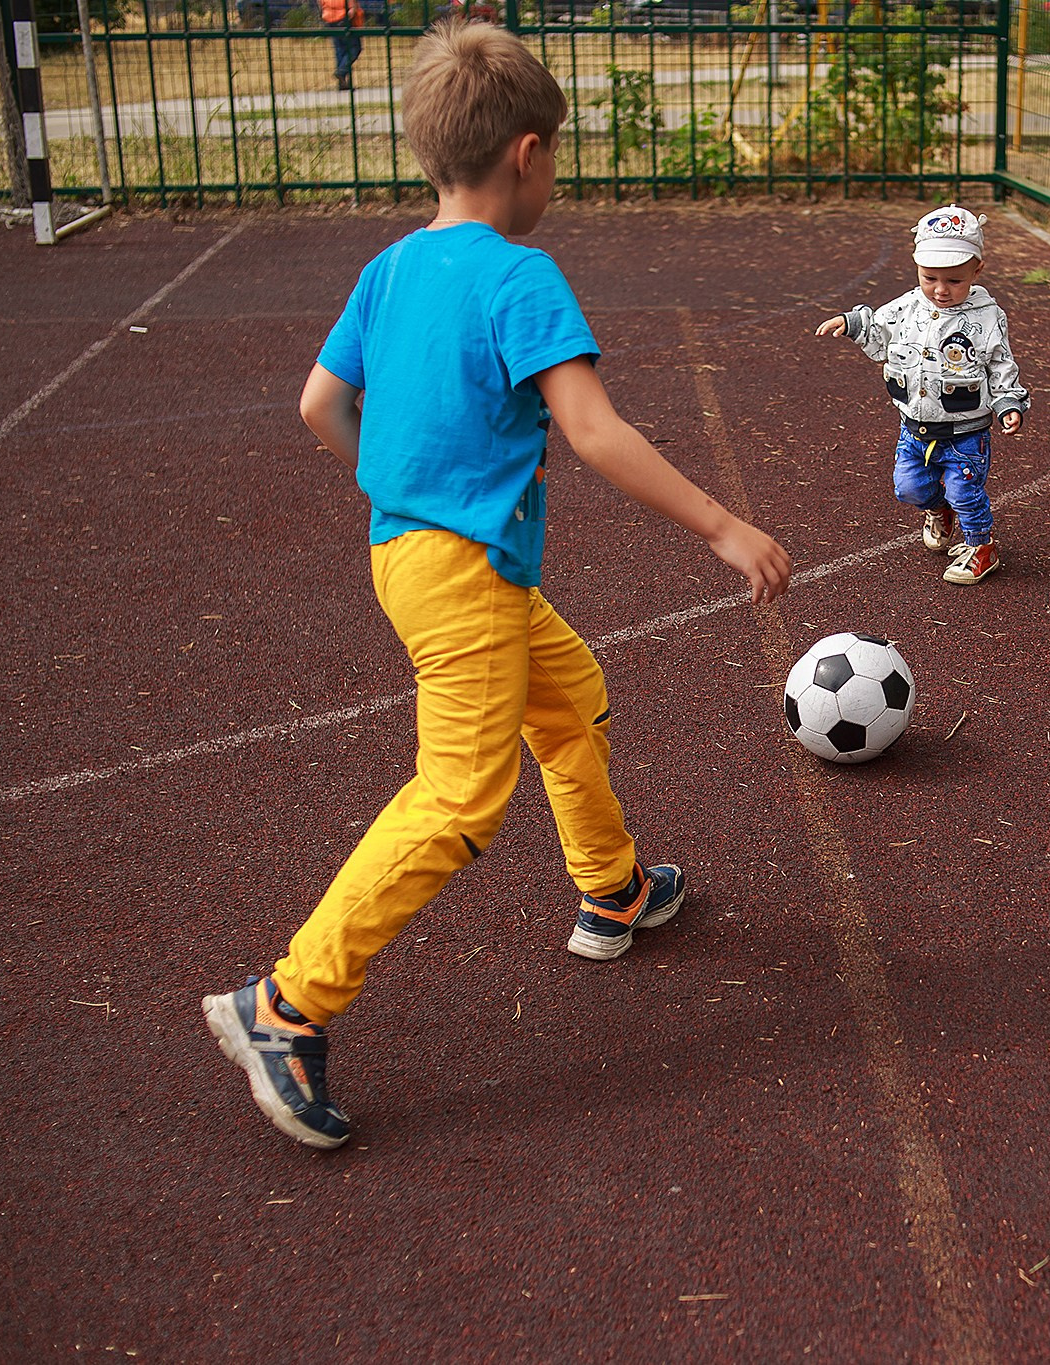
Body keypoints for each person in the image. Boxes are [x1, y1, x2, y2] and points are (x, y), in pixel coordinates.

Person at [201, 20, 792, 1150]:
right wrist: (720, 525)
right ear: (527, 152)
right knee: (460, 800)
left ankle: (612, 887)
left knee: (568, 696)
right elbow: (590, 429)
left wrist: (401, 486)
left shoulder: (389, 268)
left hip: (407, 557)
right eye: (555, 158)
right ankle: (286, 1005)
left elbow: (319, 409)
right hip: (462, 574)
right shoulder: (520, 275)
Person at [816, 205, 1028, 585]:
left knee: (966, 491)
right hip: (914, 427)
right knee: (908, 487)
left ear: (977, 270)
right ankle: (939, 510)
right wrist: (851, 322)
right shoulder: (907, 306)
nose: (941, 290)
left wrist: (1008, 402)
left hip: (966, 431)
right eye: (930, 278)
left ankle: (981, 547)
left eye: (954, 281)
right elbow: (878, 329)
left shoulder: (986, 317)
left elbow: (1000, 364)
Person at [320, 0, 367, 92]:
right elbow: (352, 6)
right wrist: (350, 14)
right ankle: (341, 72)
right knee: (355, 48)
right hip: (344, 18)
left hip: (329, 18)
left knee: (340, 50)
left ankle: (342, 83)